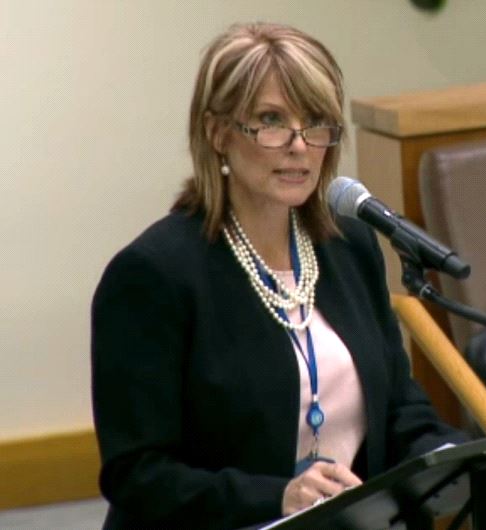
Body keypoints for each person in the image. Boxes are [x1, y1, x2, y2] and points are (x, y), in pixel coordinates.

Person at [91, 22, 466, 529]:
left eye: (316, 122)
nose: (299, 145)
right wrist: (278, 498)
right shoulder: (153, 275)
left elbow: (398, 406)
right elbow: (138, 473)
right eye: (271, 121)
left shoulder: (348, 246)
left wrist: (445, 455)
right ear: (217, 133)